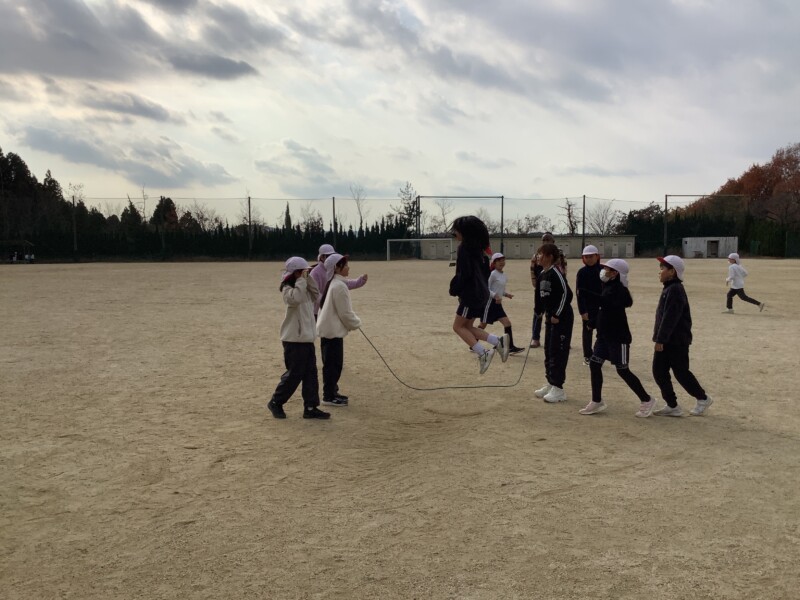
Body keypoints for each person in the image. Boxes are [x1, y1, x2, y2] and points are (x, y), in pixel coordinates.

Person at [577, 259, 657, 417]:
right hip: (604, 337)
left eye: (607, 269)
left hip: (618, 338)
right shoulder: (607, 286)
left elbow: (607, 303)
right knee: (594, 364)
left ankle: (647, 399)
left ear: (615, 273)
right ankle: (597, 400)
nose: (603, 271)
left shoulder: (619, 290)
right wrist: (593, 323)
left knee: (623, 370)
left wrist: (587, 294)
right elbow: (604, 311)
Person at [267, 257, 331, 420]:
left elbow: (316, 295)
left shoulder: (304, 287)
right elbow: (296, 299)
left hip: (307, 339)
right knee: (294, 374)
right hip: (293, 340)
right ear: (294, 273)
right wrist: (301, 281)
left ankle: (311, 407)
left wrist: (308, 279)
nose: (305, 274)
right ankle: (276, 401)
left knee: (311, 374)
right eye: (302, 271)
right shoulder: (288, 289)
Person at [651, 255, 713, 417]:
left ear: (672, 272)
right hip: (668, 339)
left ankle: (703, 398)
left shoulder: (675, 289)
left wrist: (660, 339)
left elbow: (670, 318)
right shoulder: (669, 288)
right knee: (659, 371)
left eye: (663, 268)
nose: (660, 271)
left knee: (681, 372)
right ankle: (672, 405)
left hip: (676, 341)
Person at [449, 216, 510, 374]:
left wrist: (455, 287)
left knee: (457, 327)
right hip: (481, 295)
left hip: (471, 295)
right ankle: (498, 341)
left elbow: (465, 274)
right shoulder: (481, 252)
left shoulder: (464, 249)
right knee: (468, 327)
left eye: (457, 230)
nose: (454, 233)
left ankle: (483, 353)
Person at [316, 254, 362, 407]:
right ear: (337, 268)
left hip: (330, 331)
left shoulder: (335, 283)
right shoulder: (339, 286)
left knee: (332, 364)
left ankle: (332, 392)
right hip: (332, 332)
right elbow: (345, 313)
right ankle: (328, 396)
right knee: (333, 365)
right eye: (346, 265)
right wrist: (356, 323)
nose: (348, 267)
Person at [533, 242, 574, 403]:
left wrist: (557, 313)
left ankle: (558, 388)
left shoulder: (556, 273)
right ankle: (550, 382)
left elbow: (567, 295)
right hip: (550, 318)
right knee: (549, 351)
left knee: (558, 351)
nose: (538, 257)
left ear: (549, 257)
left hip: (562, 319)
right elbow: (539, 296)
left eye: (541, 254)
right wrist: (538, 311)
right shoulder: (542, 274)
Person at [478, 252, 525, 353]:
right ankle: (473, 344)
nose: (502, 262)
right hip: (489, 303)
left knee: (507, 323)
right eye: (499, 260)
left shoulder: (504, 275)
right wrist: (495, 296)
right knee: (482, 325)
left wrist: (506, 294)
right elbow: (486, 288)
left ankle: (510, 347)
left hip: (498, 304)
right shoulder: (492, 274)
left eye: (503, 260)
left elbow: (499, 290)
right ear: (494, 263)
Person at [529, 232, 566, 348]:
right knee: (538, 312)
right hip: (542, 285)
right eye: (544, 240)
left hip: (554, 286)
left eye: (548, 240)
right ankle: (535, 337)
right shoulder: (537, 254)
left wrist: (563, 280)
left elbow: (563, 268)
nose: (545, 242)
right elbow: (532, 269)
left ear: (553, 242)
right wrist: (534, 281)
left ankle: (560, 337)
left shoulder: (559, 254)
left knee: (555, 313)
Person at [310, 244, 368, 318]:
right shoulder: (315, 272)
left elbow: (345, 283)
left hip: (330, 310)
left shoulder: (334, 270)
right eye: (328, 255)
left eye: (332, 255)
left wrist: (359, 281)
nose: (331, 257)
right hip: (316, 312)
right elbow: (314, 293)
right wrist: (327, 302)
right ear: (321, 257)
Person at [575, 245, 603, 366]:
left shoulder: (603, 270)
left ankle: (599, 353)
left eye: (591, 256)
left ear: (597, 256)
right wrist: (582, 310)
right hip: (588, 307)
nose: (589, 259)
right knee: (587, 332)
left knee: (603, 331)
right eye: (586, 257)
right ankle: (587, 355)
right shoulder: (582, 272)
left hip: (602, 306)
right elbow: (579, 293)